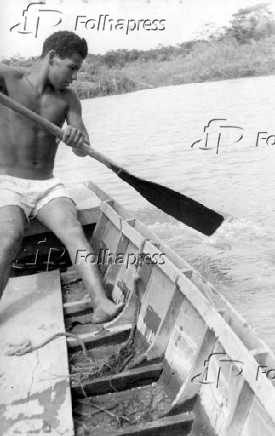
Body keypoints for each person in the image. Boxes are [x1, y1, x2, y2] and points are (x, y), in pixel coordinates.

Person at [0, 31, 124, 323]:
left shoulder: (68, 99)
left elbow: (83, 151)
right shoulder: (8, 79)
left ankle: (100, 303)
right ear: (53, 58)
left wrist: (76, 138)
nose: (75, 77)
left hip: (47, 186)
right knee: (9, 237)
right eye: (72, 67)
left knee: (72, 230)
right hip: (6, 183)